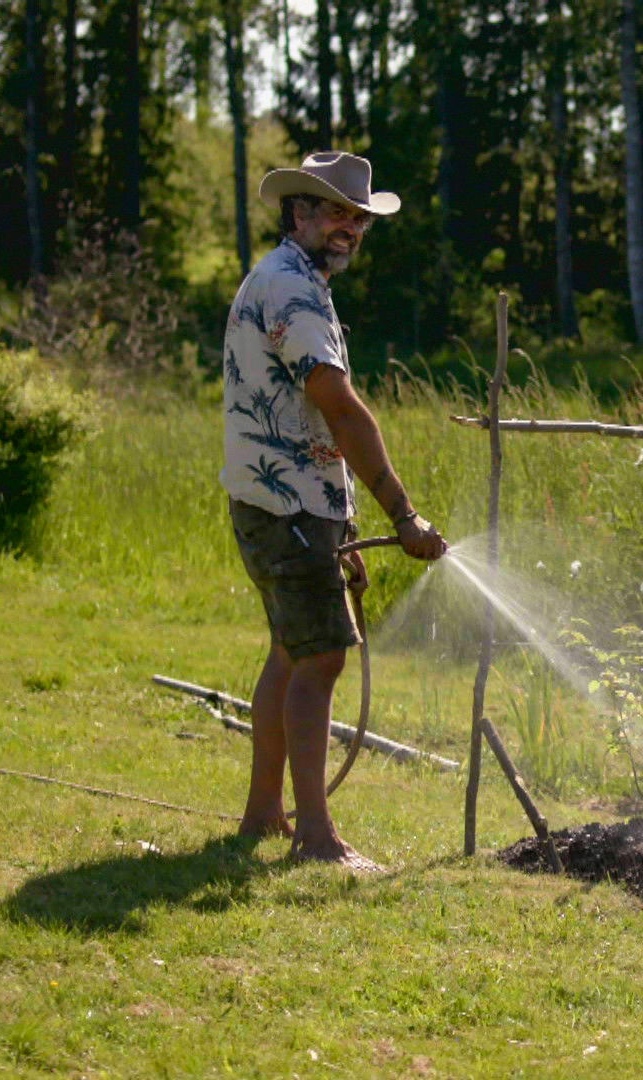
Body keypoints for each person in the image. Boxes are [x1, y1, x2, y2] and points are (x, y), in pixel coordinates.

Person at [220, 151, 447, 871]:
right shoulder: (293, 291)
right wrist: (404, 515)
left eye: (359, 218)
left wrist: (341, 521)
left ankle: (264, 814)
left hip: (281, 503)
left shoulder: (289, 280)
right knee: (319, 659)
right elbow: (342, 411)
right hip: (287, 506)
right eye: (336, 213)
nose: (349, 228)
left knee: (291, 653)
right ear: (300, 213)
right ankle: (317, 840)